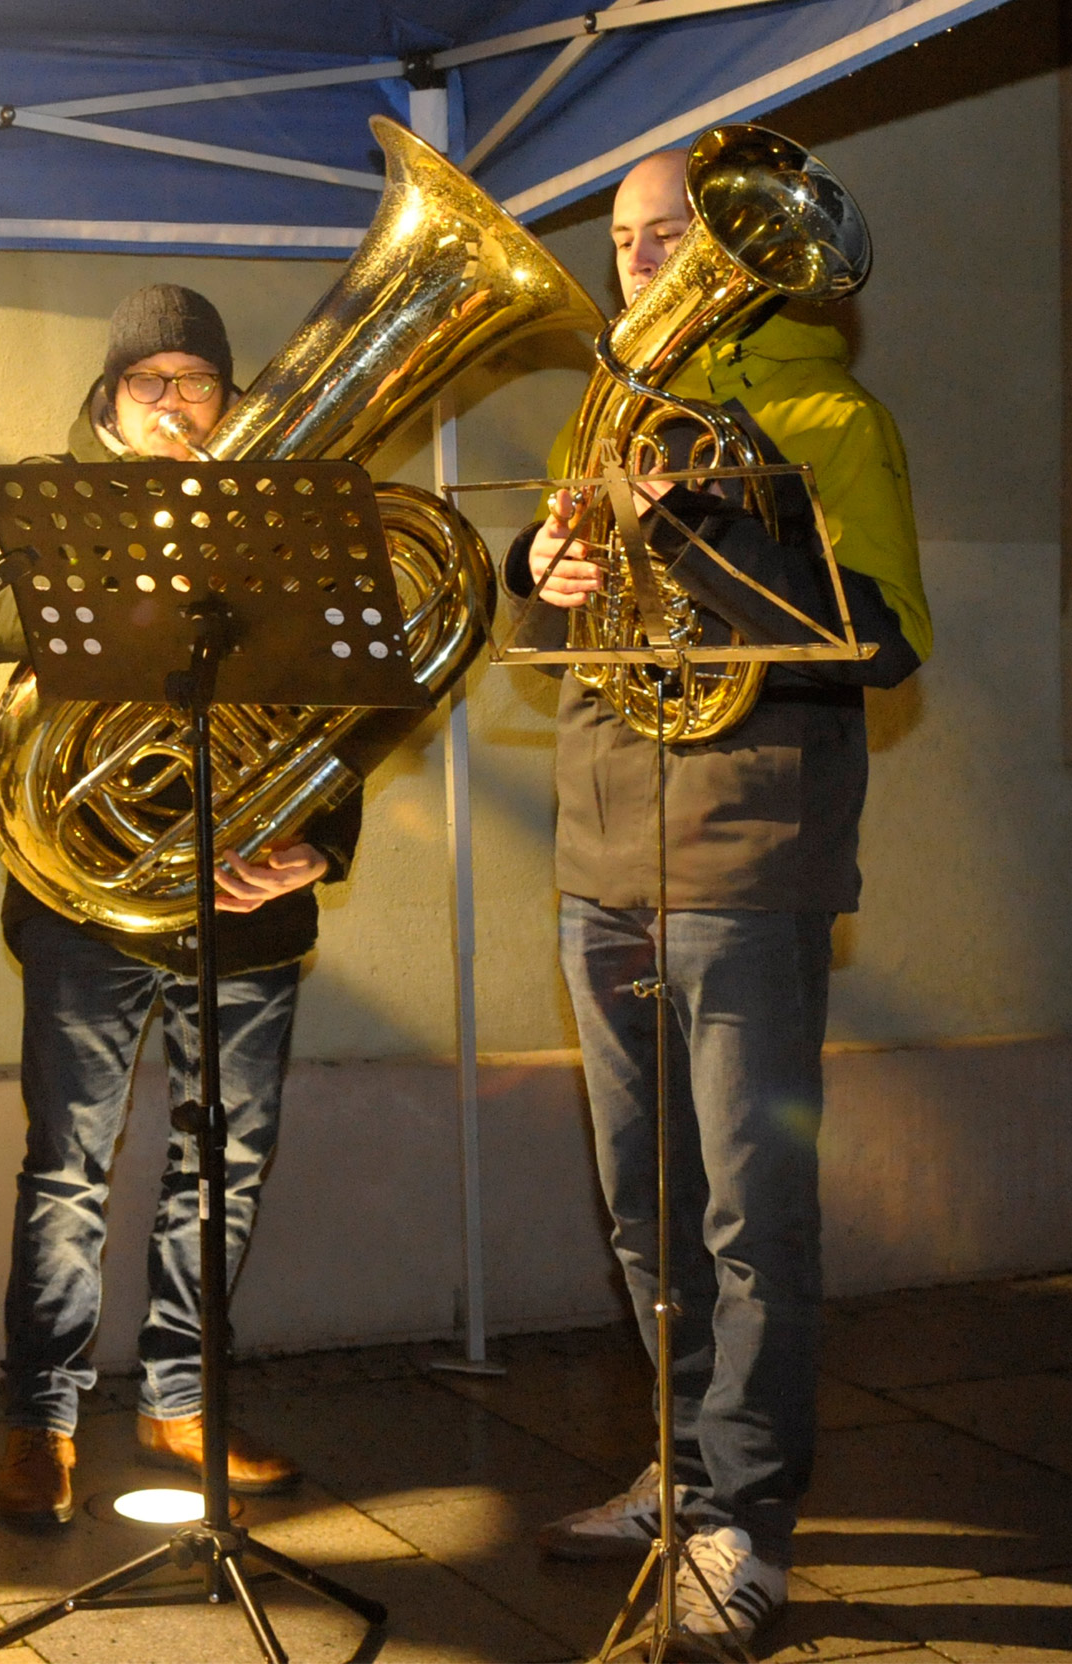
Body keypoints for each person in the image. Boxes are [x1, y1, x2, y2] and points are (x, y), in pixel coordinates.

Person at [510, 148, 929, 1646]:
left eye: (673, 229)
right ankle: (681, 1477)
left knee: (754, 1218)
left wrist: (704, 514)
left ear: (738, 239)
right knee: (645, 1209)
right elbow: (592, 608)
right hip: (604, 854)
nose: (643, 258)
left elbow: (878, 640)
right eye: (624, 236)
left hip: (750, 858)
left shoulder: (830, 417)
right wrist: (540, 563)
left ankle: (747, 1520)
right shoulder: (607, 407)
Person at [0, 285, 358, 1527]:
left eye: (199, 383)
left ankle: (183, 1401)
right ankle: (41, 1417)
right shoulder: (42, 490)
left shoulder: (285, 503)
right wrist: (136, 547)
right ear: (109, 395)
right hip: (88, 886)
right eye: (151, 383)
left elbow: (351, 694)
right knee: (67, 1165)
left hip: (246, 886)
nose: (178, 404)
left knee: (222, 1162)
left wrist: (318, 844)